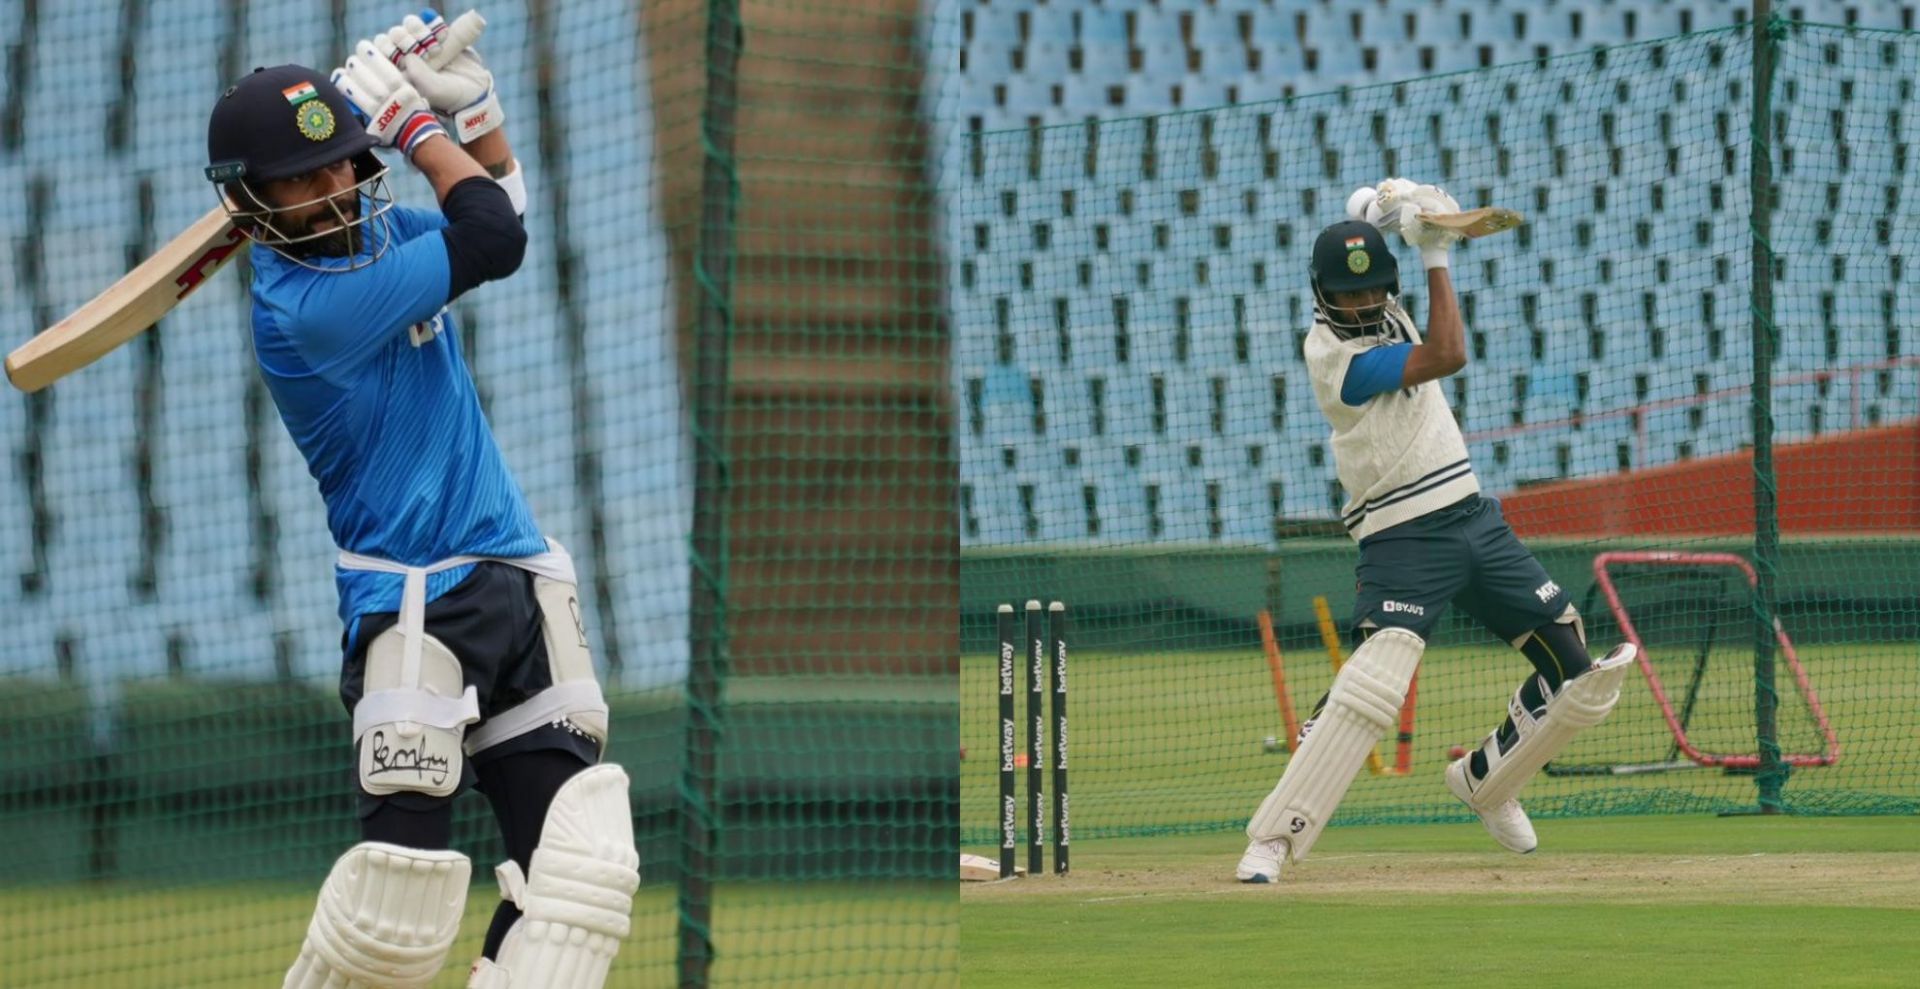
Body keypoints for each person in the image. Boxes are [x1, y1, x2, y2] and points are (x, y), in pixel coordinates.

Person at [203, 12, 638, 986]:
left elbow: (501, 208)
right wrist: (412, 129)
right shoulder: (303, 311)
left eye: (345, 163)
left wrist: (472, 113)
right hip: (410, 604)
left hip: (517, 579)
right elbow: (490, 238)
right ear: (251, 201)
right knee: (395, 912)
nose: (337, 188)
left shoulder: (378, 237)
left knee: (580, 882)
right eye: (305, 178)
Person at [1234, 179, 1638, 884]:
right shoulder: (1337, 358)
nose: (1362, 305)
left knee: (1582, 678)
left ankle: (1486, 782)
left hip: (1474, 516)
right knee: (1374, 688)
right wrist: (1437, 254)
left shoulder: (1383, 301)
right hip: (1402, 533)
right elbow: (1449, 353)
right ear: (1322, 294)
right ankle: (1274, 837)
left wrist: (1395, 205)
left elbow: (1370, 226)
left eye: (1371, 292)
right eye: (1349, 295)